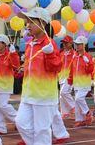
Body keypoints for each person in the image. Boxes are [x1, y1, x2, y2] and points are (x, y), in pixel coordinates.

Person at [15, 8, 63, 145]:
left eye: (31, 21)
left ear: (42, 23)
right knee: (21, 123)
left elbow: (56, 67)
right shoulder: (30, 44)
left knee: (42, 130)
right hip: (28, 93)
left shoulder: (50, 44)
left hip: (44, 95)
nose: (27, 25)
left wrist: (50, 54)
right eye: (27, 22)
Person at [0, 34, 20, 135]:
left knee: (2, 105)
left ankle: (19, 120)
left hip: (5, 85)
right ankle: (0, 127)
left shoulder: (9, 55)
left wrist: (13, 53)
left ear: (4, 44)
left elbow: (16, 66)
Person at [68, 36, 94, 127]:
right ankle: (80, 120)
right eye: (76, 44)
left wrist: (88, 63)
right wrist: (70, 80)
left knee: (78, 98)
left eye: (79, 44)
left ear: (83, 45)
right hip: (76, 83)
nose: (77, 46)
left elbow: (90, 70)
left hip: (84, 83)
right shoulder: (75, 56)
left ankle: (87, 113)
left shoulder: (88, 56)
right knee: (76, 101)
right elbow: (72, 69)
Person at [58, 36, 75, 118]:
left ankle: (74, 106)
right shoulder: (61, 54)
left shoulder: (74, 54)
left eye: (66, 42)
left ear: (71, 43)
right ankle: (65, 113)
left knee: (63, 92)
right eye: (63, 43)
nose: (64, 44)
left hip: (70, 77)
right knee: (61, 97)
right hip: (61, 77)